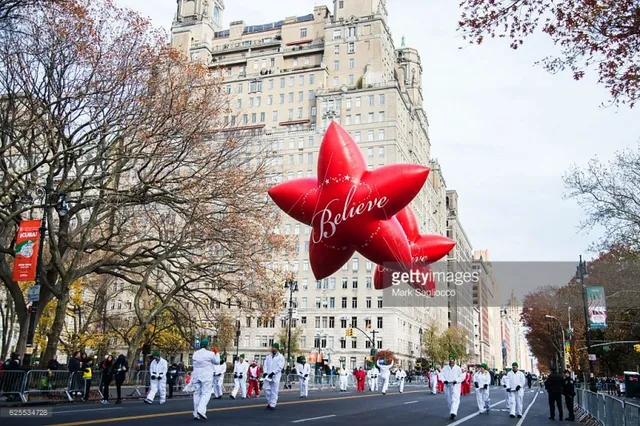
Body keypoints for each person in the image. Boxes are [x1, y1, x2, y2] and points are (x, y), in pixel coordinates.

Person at [191, 339, 220, 420]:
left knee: (197, 394)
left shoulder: (195, 353)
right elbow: (217, 362)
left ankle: (196, 413)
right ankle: (201, 410)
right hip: (206, 376)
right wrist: (216, 353)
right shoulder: (210, 354)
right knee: (206, 393)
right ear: (207, 345)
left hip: (196, 375)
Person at [441, 354, 464, 420]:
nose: (451, 361)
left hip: (455, 385)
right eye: (450, 359)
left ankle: (453, 412)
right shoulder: (445, 368)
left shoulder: (458, 368)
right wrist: (444, 380)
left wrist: (456, 380)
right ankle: (452, 411)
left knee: (455, 399)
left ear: (454, 360)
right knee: (449, 400)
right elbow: (441, 375)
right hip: (447, 385)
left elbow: (462, 376)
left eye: (452, 359)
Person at [263, 342, 285, 410]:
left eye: (274, 347)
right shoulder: (268, 356)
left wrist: (273, 372)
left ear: (277, 348)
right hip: (268, 376)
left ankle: (272, 404)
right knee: (265, 388)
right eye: (272, 347)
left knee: (274, 391)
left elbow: (280, 367)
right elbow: (265, 364)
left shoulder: (280, 357)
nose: (272, 348)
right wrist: (265, 372)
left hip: (275, 376)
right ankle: (270, 401)